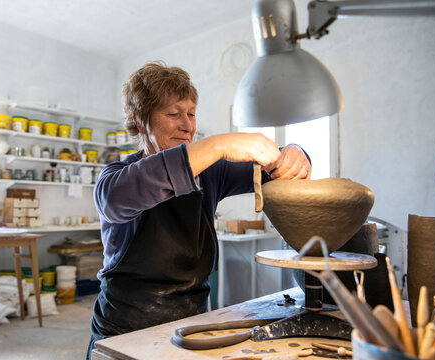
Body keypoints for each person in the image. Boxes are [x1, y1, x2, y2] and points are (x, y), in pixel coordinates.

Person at [87, 61, 311, 358]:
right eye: (173, 114)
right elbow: (116, 199)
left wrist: (295, 152)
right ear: (140, 120)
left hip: (193, 323)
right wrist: (220, 144)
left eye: (191, 114)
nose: (187, 125)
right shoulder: (117, 177)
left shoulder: (209, 173)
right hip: (126, 327)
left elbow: (272, 168)